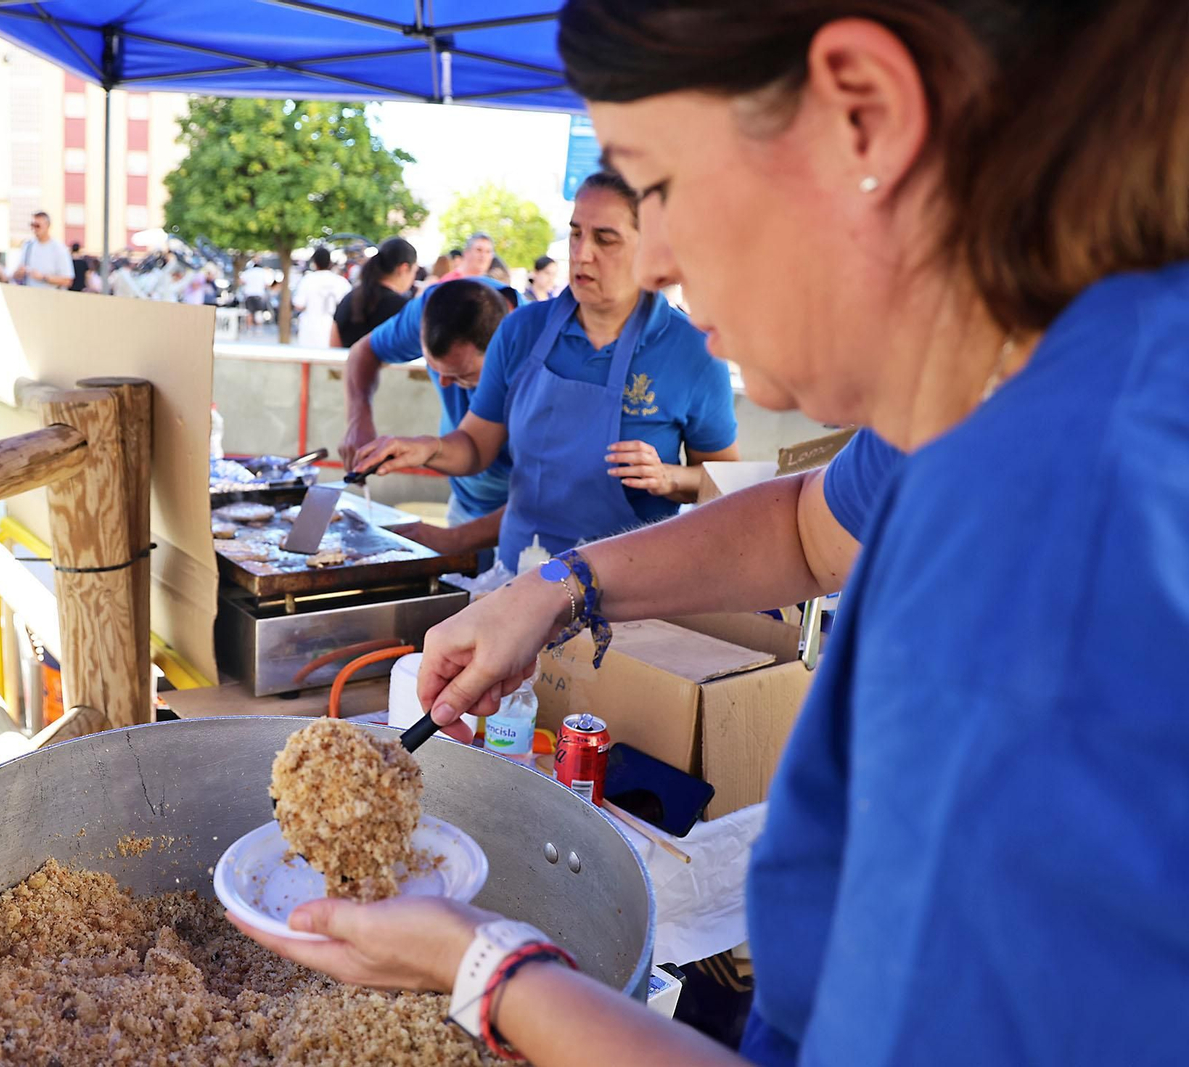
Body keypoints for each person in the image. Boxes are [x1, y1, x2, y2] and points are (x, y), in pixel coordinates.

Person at [245, 3, 1189, 1066]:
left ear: (864, 118)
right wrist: (550, 592)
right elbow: (807, 523)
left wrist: (487, 971)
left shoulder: (1064, 548)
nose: (653, 262)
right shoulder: (1002, 386)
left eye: (656, 186)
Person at [354, 172, 739, 572]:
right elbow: (476, 445)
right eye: (576, 233)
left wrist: (671, 478)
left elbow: (725, 480)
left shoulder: (693, 352)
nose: (582, 253)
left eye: (605, 239)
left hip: (631, 583)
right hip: (520, 573)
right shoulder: (521, 330)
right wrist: (425, 448)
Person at [340, 269, 519, 539]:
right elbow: (364, 351)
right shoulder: (435, 308)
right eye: (434, 368)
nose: (444, 383)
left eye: (461, 374)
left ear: (502, 351)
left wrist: (455, 540)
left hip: (520, 515)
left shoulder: (534, 346)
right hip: (464, 500)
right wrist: (358, 419)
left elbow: (545, 493)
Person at [330, 237, 418, 350]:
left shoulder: (349, 299)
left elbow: (334, 347)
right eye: (414, 271)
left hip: (347, 361)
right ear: (404, 268)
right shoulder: (403, 309)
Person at [291, 247, 351, 348]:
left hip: (310, 328)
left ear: (314, 262)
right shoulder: (341, 282)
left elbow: (299, 304)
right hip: (333, 329)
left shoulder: (307, 280)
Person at [12, 212, 74, 289]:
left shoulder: (59, 248)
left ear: (47, 226)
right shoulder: (28, 246)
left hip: (50, 295)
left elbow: (67, 280)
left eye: (37, 226)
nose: (34, 229)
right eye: (32, 225)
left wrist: (43, 278)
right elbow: (14, 275)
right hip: (29, 293)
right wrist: (19, 273)